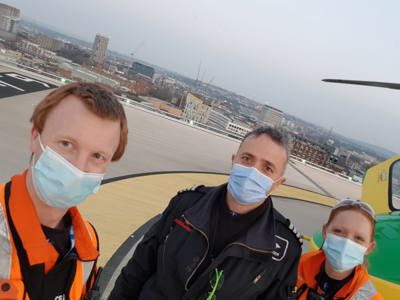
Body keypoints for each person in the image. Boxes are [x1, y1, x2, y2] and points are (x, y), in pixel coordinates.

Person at [109, 126, 303, 300]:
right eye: (247, 159)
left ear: (277, 183)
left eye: (267, 168)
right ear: (233, 160)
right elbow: (138, 269)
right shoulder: (186, 204)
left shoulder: (285, 248)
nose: (253, 172)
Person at [0, 82, 128, 300]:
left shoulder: (88, 245)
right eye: (67, 144)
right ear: (35, 137)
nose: (78, 167)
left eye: (98, 156)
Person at [296, 199, 383, 300]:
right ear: (325, 232)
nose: (346, 243)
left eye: (359, 238)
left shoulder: (370, 297)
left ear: (369, 248)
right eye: (338, 231)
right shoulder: (297, 266)